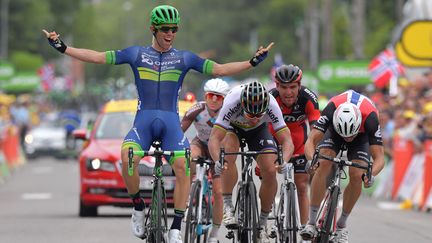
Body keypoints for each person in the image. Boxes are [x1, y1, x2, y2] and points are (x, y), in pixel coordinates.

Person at [43, 5, 274, 243]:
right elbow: (99, 57)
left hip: (170, 126)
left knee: (184, 165)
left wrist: (252, 62)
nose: (170, 33)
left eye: (174, 29)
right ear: (153, 29)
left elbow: (219, 69)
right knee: (127, 157)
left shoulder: (183, 58)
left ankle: (176, 226)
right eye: (165, 29)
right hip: (143, 124)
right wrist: (63, 48)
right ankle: (138, 207)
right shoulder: (136, 54)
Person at [208, 81, 295, 243]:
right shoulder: (232, 101)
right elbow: (214, 137)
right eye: (250, 114)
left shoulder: (272, 105)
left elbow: (287, 140)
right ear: (243, 105)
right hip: (234, 129)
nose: (254, 118)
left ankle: (262, 222)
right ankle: (228, 205)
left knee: (269, 170)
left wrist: (285, 161)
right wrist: (216, 161)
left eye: (258, 115)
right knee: (227, 155)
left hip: (259, 132)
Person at [300, 90, 385, 243]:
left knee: (357, 174)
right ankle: (311, 222)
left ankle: (341, 225)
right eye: (345, 136)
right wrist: (312, 161)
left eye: (349, 136)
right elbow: (311, 141)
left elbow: (379, 157)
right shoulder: (331, 108)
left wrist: (371, 174)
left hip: (361, 136)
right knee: (323, 163)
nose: (347, 139)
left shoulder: (371, 118)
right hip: (334, 132)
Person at [265, 64, 321, 227]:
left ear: (299, 85)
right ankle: (265, 216)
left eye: (292, 87)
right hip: (273, 142)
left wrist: (315, 153)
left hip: (298, 143)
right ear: (276, 86)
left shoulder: (308, 97)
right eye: (283, 87)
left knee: (302, 185)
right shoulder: (269, 98)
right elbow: (259, 127)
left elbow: (316, 129)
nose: (288, 92)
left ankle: (305, 229)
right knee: (268, 177)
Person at [181, 78, 229, 243]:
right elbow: (180, 130)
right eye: (210, 96)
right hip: (201, 143)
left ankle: (214, 234)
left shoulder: (229, 113)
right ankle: (187, 200)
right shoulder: (197, 109)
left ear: (225, 98)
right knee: (190, 159)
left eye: (219, 97)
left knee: (218, 192)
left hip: (220, 150)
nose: (214, 100)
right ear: (205, 95)